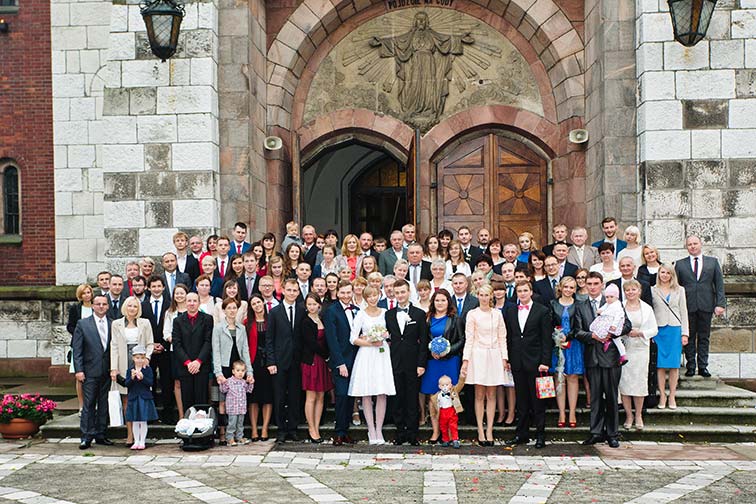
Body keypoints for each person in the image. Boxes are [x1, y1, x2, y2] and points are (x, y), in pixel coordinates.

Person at [575, 272, 632, 448]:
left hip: (611, 357)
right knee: (595, 398)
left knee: (612, 396)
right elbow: (577, 331)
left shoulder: (613, 302)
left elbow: (627, 325)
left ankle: (612, 433)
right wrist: (593, 335)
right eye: (589, 283)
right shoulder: (581, 306)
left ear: (602, 285)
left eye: (596, 283)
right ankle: (596, 432)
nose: (592, 286)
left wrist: (612, 332)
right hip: (592, 356)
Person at [503, 281, 551, 449]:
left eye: (525, 290)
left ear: (531, 292)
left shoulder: (542, 311)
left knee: (538, 402)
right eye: (519, 291)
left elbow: (546, 339)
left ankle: (540, 435)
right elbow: (509, 337)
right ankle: (521, 434)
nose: (522, 293)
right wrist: (508, 359)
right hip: (517, 361)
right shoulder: (510, 311)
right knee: (521, 400)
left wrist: (545, 362)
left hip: (536, 362)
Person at [460, 284, 508, 446]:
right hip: (478, 355)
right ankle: (480, 429)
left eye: (487, 295)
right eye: (481, 294)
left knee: (492, 394)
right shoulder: (472, 314)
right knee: (479, 395)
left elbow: (503, 337)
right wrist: (466, 361)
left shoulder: (497, 314)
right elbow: (469, 338)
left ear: (491, 296)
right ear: (477, 296)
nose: (484, 298)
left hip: (494, 355)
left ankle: (490, 430)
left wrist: (504, 358)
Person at [348, 286, 395, 445]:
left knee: (382, 392)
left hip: (382, 354)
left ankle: (379, 429)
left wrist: (384, 336)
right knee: (366, 393)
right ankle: (371, 429)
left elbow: (390, 332)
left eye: (375, 295)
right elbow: (353, 338)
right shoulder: (360, 314)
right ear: (366, 298)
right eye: (370, 296)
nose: (373, 298)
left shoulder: (385, 313)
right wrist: (370, 342)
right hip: (367, 355)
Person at [675, 235, 726, 378]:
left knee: (704, 337)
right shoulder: (680, 264)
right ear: (686, 247)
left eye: (695, 243)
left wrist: (720, 304)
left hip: (706, 305)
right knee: (688, 337)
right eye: (689, 244)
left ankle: (703, 366)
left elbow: (719, 285)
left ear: (700, 244)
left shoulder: (712, 262)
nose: (692, 246)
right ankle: (690, 365)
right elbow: (676, 287)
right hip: (687, 306)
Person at [385, 279, 428, 445]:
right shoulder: (388, 315)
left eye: (403, 292)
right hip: (394, 362)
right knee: (397, 399)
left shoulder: (418, 314)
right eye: (397, 293)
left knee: (412, 399)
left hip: (413, 363)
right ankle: (399, 433)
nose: (400, 295)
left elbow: (423, 341)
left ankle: (413, 434)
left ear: (409, 292)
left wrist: (421, 364)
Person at [420, 289, 463, 443]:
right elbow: (423, 339)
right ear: (433, 302)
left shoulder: (455, 319)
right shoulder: (427, 318)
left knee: (449, 397)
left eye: (443, 300)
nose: (440, 303)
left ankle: (451, 433)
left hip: (449, 361)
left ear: (448, 302)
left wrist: (447, 350)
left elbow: (461, 340)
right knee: (433, 396)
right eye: (437, 300)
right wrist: (430, 351)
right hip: (433, 362)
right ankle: (436, 431)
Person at [110, 296, 154, 446]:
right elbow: (114, 346)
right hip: (123, 362)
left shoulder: (145, 323)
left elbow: (150, 343)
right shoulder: (116, 324)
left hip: (140, 361)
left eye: (135, 306)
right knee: (126, 399)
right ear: (125, 307)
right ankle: (130, 434)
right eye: (130, 306)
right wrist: (114, 368)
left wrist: (147, 358)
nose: (132, 309)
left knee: (140, 397)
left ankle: (141, 436)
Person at [72, 295, 114, 450]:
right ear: (93, 306)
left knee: (104, 404)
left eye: (104, 304)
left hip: (107, 371)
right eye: (98, 304)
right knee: (89, 405)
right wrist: (79, 370)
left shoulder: (112, 324)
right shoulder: (83, 324)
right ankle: (86, 436)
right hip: (89, 371)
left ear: (108, 306)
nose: (101, 306)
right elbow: (77, 350)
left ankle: (101, 434)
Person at [267, 279, 305, 443]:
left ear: (298, 292)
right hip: (279, 362)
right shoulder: (275, 312)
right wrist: (271, 361)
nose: (291, 293)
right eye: (289, 290)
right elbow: (269, 339)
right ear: (282, 290)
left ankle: (293, 428)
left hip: (298, 361)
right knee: (280, 396)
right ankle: (281, 429)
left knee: (295, 396)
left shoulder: (303, 311)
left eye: (294, 290)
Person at [212, 297, 253, 444]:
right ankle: (224, 434)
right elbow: (215, 351)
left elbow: (245, 350)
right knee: (223, 403)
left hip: (238, 367)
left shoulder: (241, 328)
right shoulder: (218, 328)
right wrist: (218, 373)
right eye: (228, 308)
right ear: (224, 310)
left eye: (234, 308)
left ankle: (238, 434)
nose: (232, 310)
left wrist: (250, 372)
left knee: (239, 401)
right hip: (224, 366)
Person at [324, 281, 360, 445]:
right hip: (341, 362)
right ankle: (339, 432)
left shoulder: (357, 311)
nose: (346, 296)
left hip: (357, 360)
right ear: (337, 293)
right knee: (341, 395)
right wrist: (339, 363)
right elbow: (332, 340)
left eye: (348, 292)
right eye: (343, 293)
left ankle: (345, 431)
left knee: (351, 397)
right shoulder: (331, 311)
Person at [619, 280, 658, 430]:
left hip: (641, 349)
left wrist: (640, 333)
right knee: (625, 382)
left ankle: (639, 415)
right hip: (625, 349)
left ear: (639, 291)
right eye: (627, 290)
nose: (630, 292)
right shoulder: (620, 307)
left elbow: (654, 329)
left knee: (639, 382)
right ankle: (629, 415)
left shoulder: (647, 308)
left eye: (633, 289)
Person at [651, 265, 689, 410]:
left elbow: (684, 312)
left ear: (672, 275)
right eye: (662, 272)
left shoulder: (680, 290)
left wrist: (685, 333)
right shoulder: (652, 290)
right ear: (658, 273)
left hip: (674, 329)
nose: (665, 275)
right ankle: (662, 394)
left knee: (674, 365)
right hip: (659, 330)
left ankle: (672, 394)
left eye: (668, 273)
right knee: (660, 365)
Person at [551, 276, 583, 428]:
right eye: (566, 287)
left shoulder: (578, 305)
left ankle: (572, 412)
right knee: (559, 378)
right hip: (556, 346)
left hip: (573, 344)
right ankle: (562, 412)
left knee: (572, 377)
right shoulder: (553, 304)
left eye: (572, 287)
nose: (569, 290)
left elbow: (579, 326)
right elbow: (549, 323)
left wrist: (567, 338)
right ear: (561, 288)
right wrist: (556, 339)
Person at [172, 292, 214, 409]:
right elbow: (177, 344)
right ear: (185, 303)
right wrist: (188, 363)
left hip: (202, 365)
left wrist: (198, 361)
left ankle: (201, 427)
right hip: (185, 366)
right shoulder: (178, 321)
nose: (192, 303)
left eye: (195, 301)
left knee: (202, 400)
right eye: (189, 301)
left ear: (199, 303)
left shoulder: (208, 319)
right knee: (187, 402)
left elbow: (208, 341)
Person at [301, 293, 332, 444]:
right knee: (311, 396)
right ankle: (311, 428)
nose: (312, 307)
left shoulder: (322, 319)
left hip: (322, 362)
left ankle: (317, 427)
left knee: (321, 396)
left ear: (319, 305)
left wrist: (327, 357)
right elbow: (311, 343)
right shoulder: (306, 322)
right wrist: (326, 355)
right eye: (309, 304)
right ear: (306, 306)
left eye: (314, 304)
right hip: (311, 360)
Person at [141, 276, 172, 423]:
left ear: (164, 288)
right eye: (153, 286)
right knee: (149, 381)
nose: (156, 289)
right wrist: (151, 345)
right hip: (149, 350)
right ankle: (150, 414)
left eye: (159, 286)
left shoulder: (170, 305)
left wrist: (164, 345)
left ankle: (168, 414)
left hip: (166, 349)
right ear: (148, 288)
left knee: (167, 382)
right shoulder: (143, 306)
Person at [246, 294, 274, 441]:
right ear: (251, 307)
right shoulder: (247, 323)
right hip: (253, 362)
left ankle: (264, 429)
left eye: (258, 302)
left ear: (263, 303)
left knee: (267, 397)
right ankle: (254, 430)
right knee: (254, 398)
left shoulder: (272, 320)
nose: (257, 305)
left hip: (269, 363)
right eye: (254, 304)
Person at [124, 345, 158, 450]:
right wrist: (133, 378)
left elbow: (150, 383)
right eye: (137, 358)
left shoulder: (147, 369)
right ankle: (136, 440)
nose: (139, 360)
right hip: (134, 397)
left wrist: (142, 378)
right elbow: (127, 384)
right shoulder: (130, 370)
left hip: (144, 397)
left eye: (142, 358)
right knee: (135, 420)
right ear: (133, 358)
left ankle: (142, 440)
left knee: (143, 420)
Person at [67, 283, 94, 415]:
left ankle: (93, 405)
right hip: (80, 345)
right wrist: (80, 334)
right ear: (80, 295)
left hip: (95, 345)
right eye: (84, 293)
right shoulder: (75, 309)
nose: (87, 295)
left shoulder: (97, 306)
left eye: (88, 292)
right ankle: (81, 405)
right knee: (80, 377)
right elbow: (70, 326)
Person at [162, 283, 188, 419]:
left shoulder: (193, 309)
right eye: (176, 293)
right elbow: (166, 332)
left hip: (192, 352)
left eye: (181, 293)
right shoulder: (170, 312)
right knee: (177, 382)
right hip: (175, 351)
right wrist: (175, 340)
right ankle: (181, 414)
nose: (179, 296)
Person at [219, 360, 255, 446]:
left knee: (240, 424)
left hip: (241, 408)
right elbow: (223, 390)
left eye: (242, 371)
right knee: (232, 424)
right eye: (238, 370)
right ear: (233, 371)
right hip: (232, 408)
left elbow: (249, 390)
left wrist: (251, 383)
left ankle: (239, 437)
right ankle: (230, 438)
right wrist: (222, 383)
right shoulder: (229, 381)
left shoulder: (243, 382)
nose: (240, 373)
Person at [590, 284, 628, 366]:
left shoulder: (618, 305)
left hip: (615, 324)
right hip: (608, 322)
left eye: (611, 297)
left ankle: (623, 355)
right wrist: (600, 310)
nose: (609, 299)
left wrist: (614, 325)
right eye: (607, 297)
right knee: (599, 330)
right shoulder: (608, 303)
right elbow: (603, 307)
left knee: (617, 339)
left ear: (616, 297)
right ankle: (606, 341)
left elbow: (618, 316)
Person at [429, 375, 464, 448]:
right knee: (443, 427)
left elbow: (460, 385)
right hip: (442, 412)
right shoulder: (437, 395)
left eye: (447, 385)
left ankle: (455, 439)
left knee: (453, 426)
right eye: (443, 385)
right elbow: (434, 402)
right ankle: (445, 440)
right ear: (439, 386)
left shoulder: (453, 392)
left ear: (451, 385)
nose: (445, 387)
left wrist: (462, 378)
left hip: (451, 411)